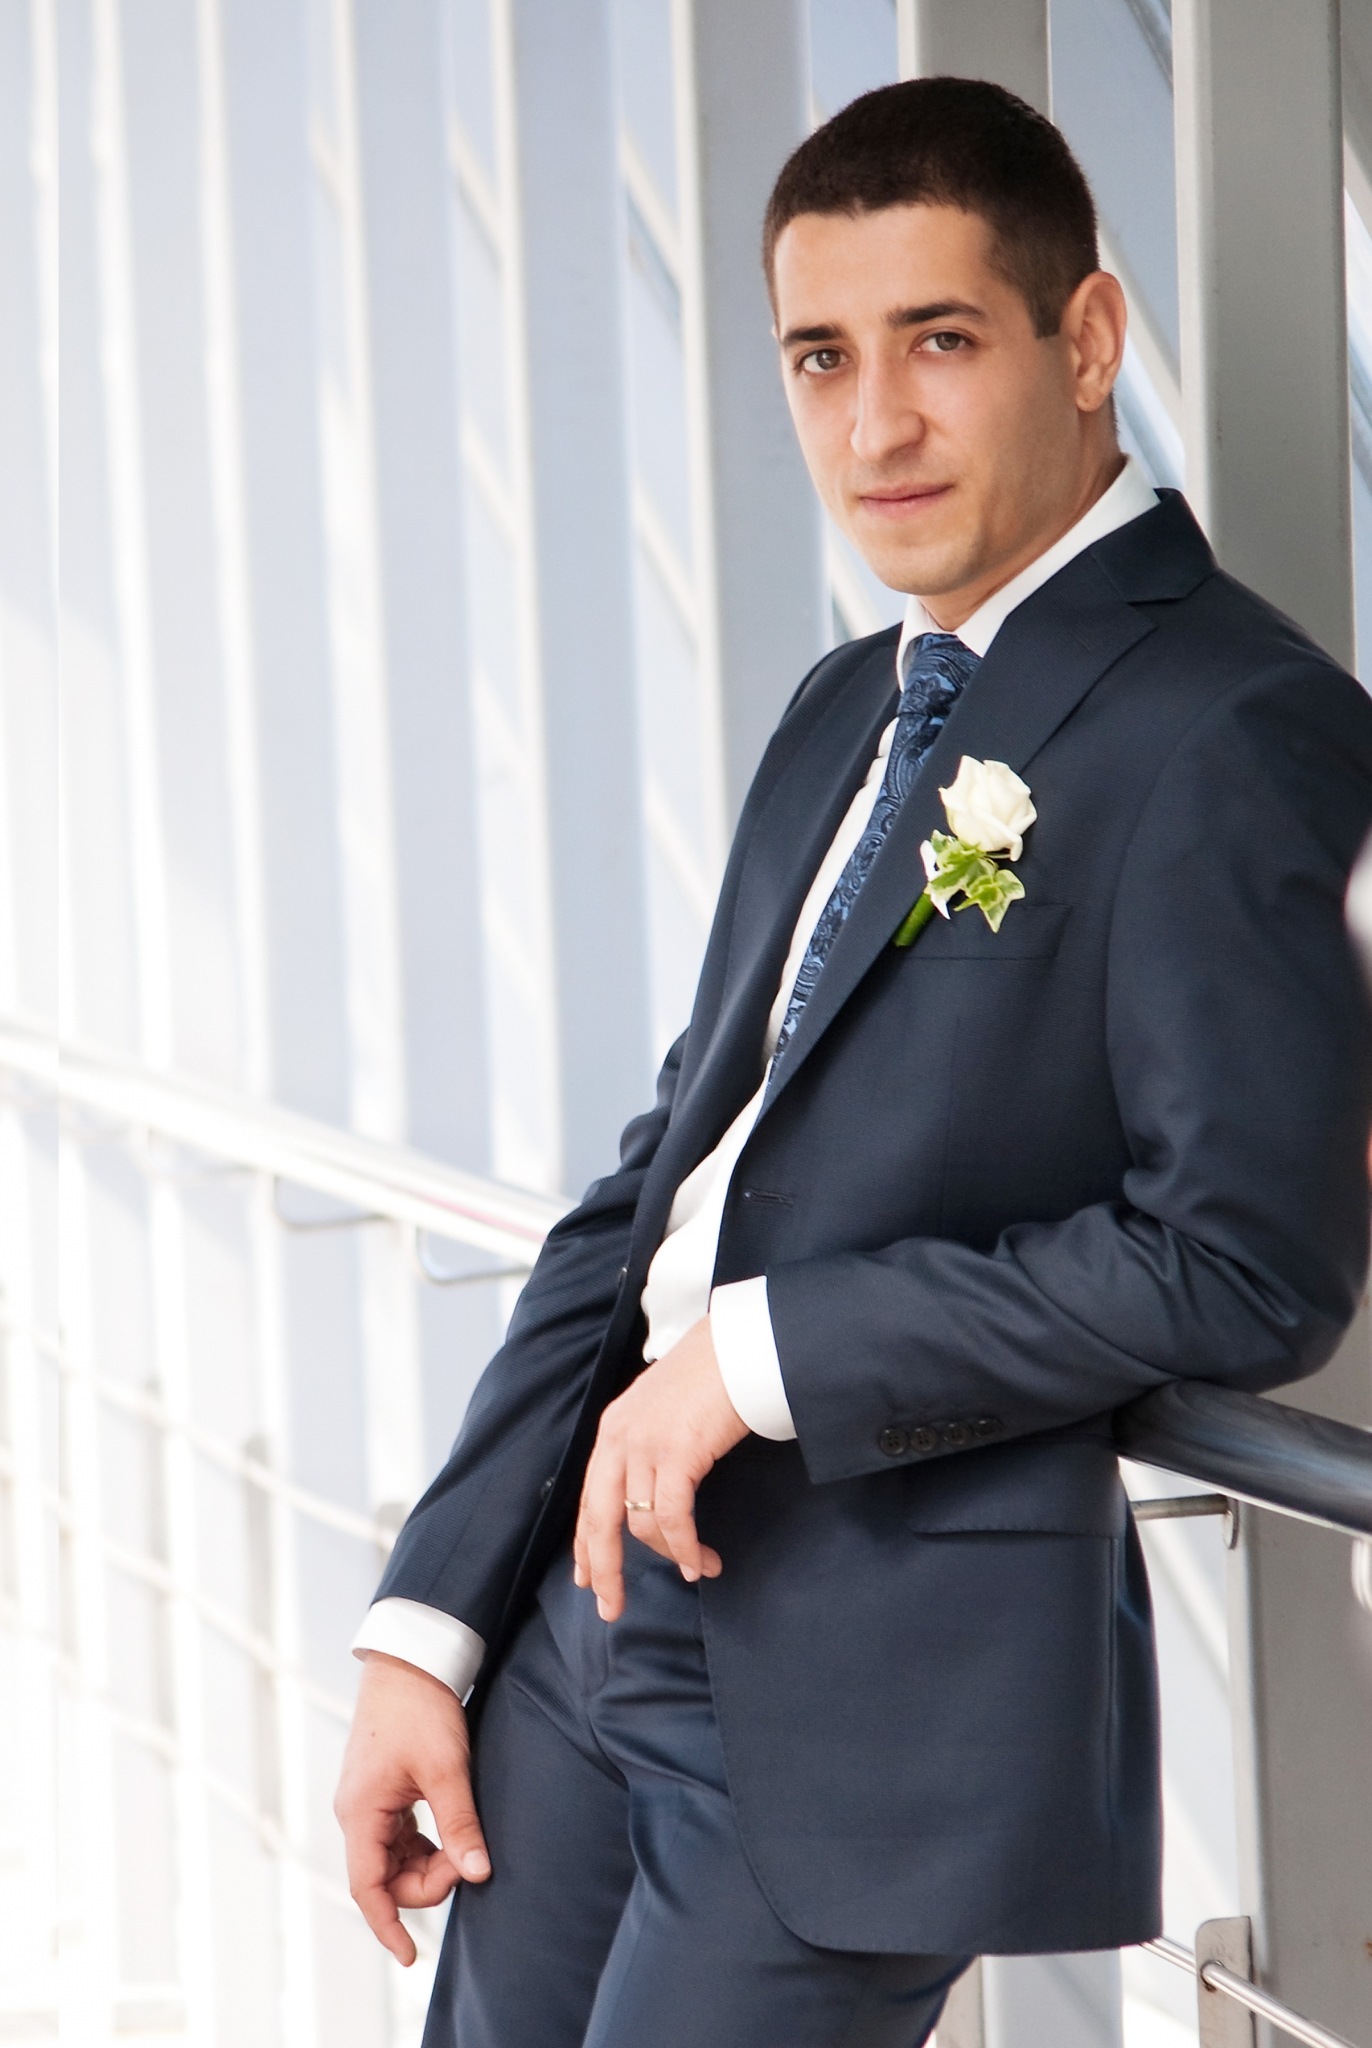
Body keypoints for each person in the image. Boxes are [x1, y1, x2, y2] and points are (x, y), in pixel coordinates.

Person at [334, 78, 1372, 2048]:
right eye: (822, 356)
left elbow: (1247, 1261)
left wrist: (766, 1355)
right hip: (584, 1615)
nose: (872, 425)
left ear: (1088, 339)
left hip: (862, 1694)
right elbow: (659, 1183)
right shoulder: (846, 706)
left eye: (939, 341)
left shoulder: (1239, 727)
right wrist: (430, 1622)